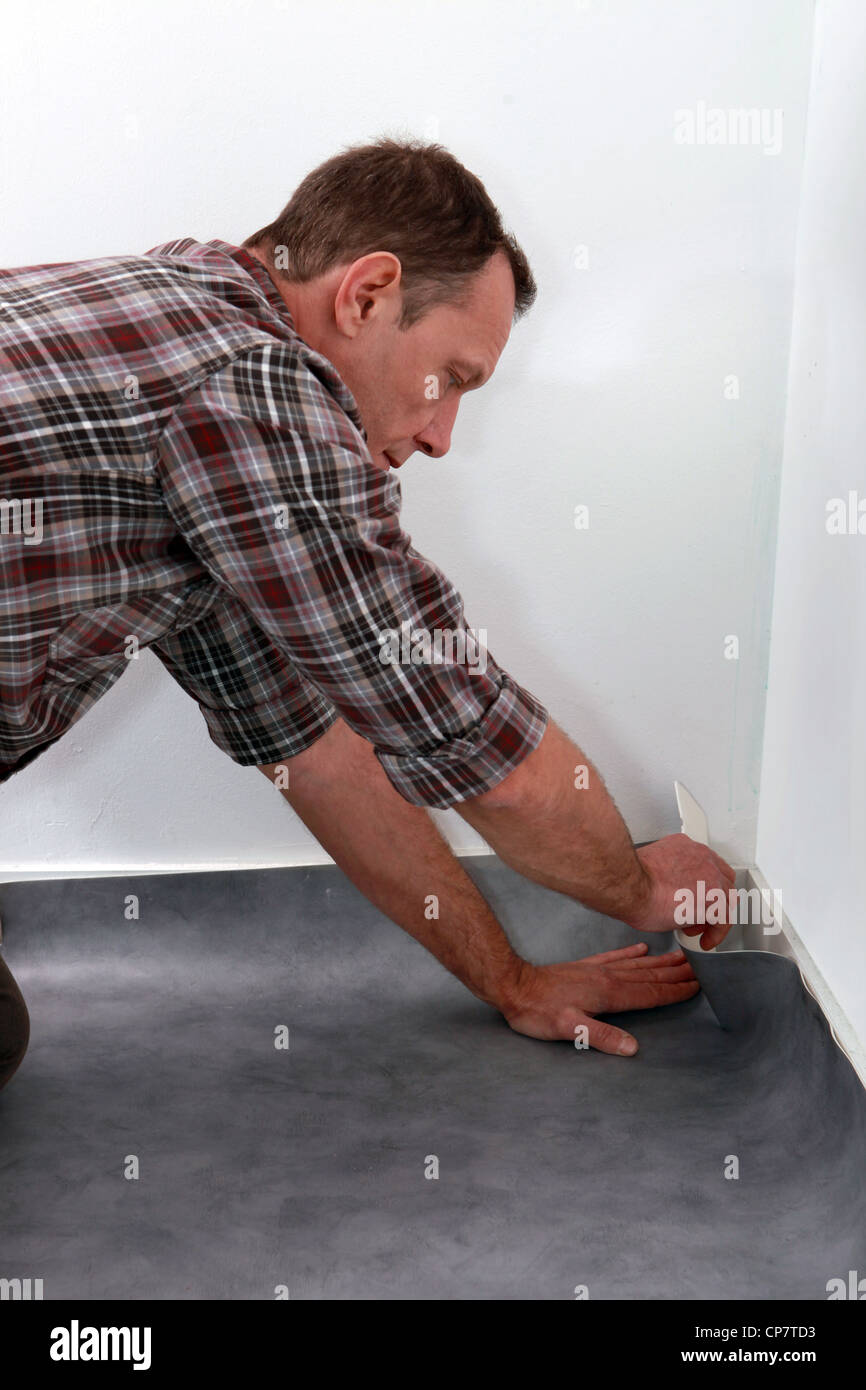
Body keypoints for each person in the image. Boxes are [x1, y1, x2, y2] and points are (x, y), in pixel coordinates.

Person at [0, 136, 734, 1091]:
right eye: (453, 379)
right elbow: (468, 736)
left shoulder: (182, 335)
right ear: (366, 295)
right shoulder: (249, 390)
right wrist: (641, 886)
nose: (439, 435)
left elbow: (318, 754)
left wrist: (511, 981)